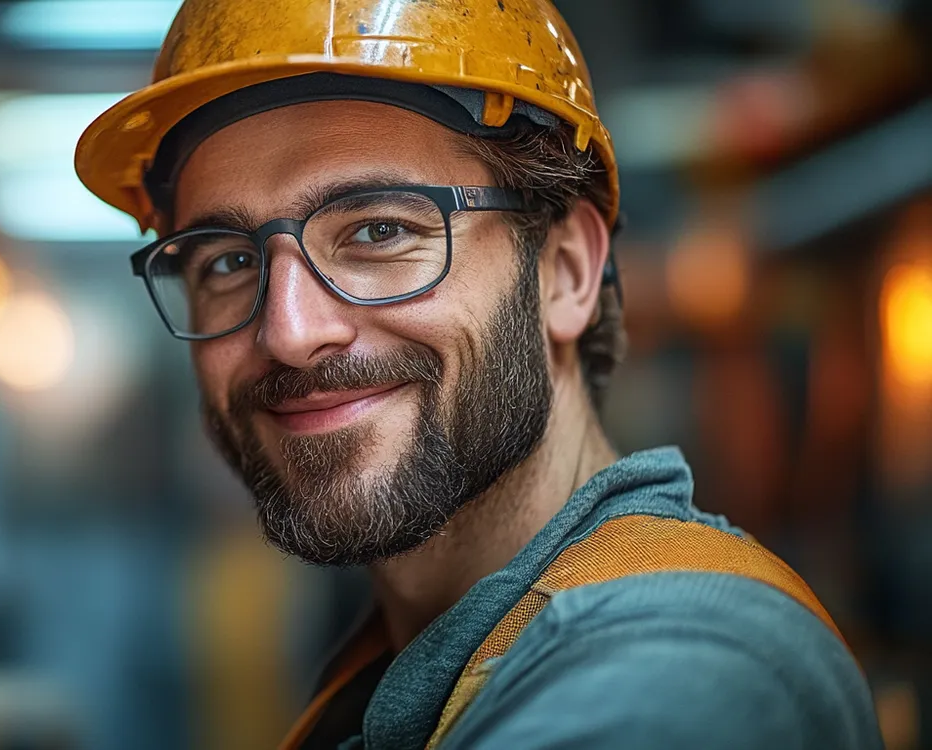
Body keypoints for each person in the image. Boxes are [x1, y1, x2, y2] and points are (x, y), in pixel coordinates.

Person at [74, 0, 882, 748]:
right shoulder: (419, 659)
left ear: (565, 271)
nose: (288, 332)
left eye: (379, 230)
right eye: (228, 260)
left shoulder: (684, 676)